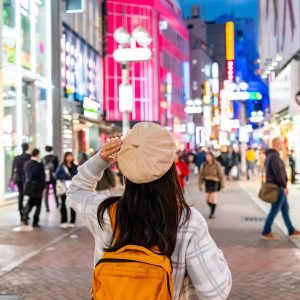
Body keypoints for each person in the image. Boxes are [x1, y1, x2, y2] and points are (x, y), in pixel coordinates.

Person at [67, 122, 231, 300]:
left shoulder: (106, 213)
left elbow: (76, 191)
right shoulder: (187, 221)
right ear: (170, 167)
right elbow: (215, 291)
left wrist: (99, 160)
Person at [261, 137, 300, 240]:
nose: (281, 145)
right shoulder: (274, 156)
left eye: (281, 143)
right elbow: (278, 174)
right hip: (278, 188)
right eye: (279, 143)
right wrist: (283, 186)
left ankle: (291, 229)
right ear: (274, 144)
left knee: (285, 209)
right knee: (274, 210)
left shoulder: (271, 155)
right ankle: (266, 231)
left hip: (277, 187)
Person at [22, 149, 45, 228]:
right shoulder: (39, 165)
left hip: (28, 186)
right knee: (38, 205)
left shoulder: (26, 163)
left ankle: (25, 214)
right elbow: (42, 177)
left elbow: (24, 176)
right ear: (37, 154)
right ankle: (35, 222)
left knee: (31, 202)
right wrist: (44, 187)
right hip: (38, 187)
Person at [198, 152, 225, 219]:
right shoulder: (204, 164)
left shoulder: (217, 164)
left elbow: (221, 176)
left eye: (209, 156)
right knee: (207, 200)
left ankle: (212, 213)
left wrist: (223, 186)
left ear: (212, 157)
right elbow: (201, 175)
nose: (207, 157)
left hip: (215, 182)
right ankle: (213, 206)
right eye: (207, 156)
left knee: (213, 199)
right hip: (207, 182)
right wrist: (199, 184)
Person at [56, 152, 78, 229]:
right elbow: (57, 175)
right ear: (65, 157)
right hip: (63, 187)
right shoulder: (61, 166)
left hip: (72, 188)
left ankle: (72, 221)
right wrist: (66, 176)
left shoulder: (75, 166)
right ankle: (63, 221)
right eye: (68, 156)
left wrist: (71, 176)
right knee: (62, 204)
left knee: (72, 204)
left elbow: (77, 176)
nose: (69, 158)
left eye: (70, 156)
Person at [11, 143, 31, 222]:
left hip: (19, 180)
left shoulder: (17, 158)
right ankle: (25, 212)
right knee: (30, 197)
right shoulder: (29, 157)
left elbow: (13, 169)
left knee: (21, 197)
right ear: (27, 148)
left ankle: (21, 215)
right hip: (27, 180)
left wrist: (12, 178)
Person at [42, 146, 59, 211]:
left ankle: (47, 207)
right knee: (55, 190)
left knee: (46, 192)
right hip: (53, 176)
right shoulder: (55, 157)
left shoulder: (43, 158)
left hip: (46, 177)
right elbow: (57, 167)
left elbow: (42, 168)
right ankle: (57, 204)